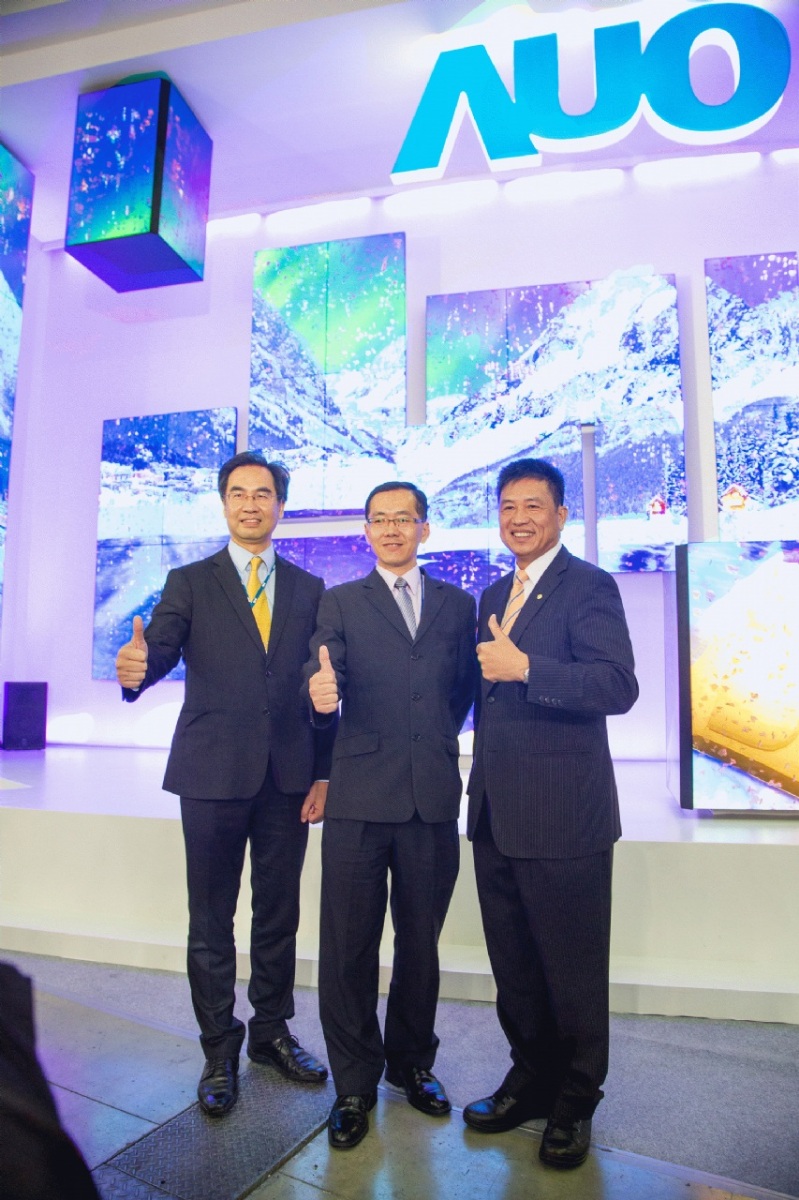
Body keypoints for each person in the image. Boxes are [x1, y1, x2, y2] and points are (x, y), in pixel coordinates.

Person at [115, 450, 334, 1117]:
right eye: (238, 493)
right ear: (223, 503)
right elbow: (159, 648)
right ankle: (218, 1048)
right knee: (211, 918)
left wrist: (323, 770)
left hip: (287, 776)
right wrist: (138, 667)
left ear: (280, 506)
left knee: (278, 913)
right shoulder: (190, 581)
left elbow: (320, 681)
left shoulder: (309, 589)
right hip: (211, 773)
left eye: (262, 494)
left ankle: (271, 1032)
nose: (250, 504)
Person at [463, 458, 638, 1169]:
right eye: (508, 506)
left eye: (533, 505)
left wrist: (529, 668)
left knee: (572, 972)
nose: (519, 518)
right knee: (515, 969)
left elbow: (617, 686)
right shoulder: (491, 593)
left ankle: (575, 1099)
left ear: (561, 515)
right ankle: (530, 1079)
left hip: (565, 817)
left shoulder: (589, 586)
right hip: (495, 813)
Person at [305, 481, 477, 1150]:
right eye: (378, 520)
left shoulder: (458, 605)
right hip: (357, 798)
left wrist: (427, 739)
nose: (391, 529)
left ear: (424, 529)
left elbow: (460, 692)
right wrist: (320, 694)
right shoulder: (341, 602)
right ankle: (353, 1082)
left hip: (430, 795)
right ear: (366, 531)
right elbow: (324, 670)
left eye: (403, 519)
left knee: (419, 944)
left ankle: (411, 1064)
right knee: (347, 945)